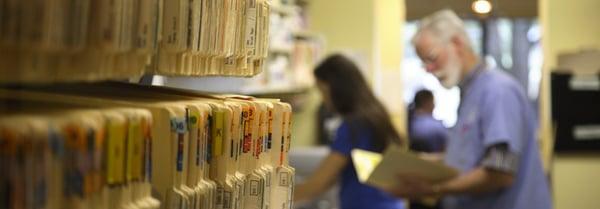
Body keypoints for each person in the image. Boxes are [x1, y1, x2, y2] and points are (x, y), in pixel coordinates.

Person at [386, 9, 552, 209]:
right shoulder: (469, 94)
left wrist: (434, 189)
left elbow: (500, 172)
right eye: (424, 64)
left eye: (432, 57)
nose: (429, 69)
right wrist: (425, 162)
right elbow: (471, 156)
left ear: (456, 43)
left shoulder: (497, 91)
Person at [294, 54, 406, 209]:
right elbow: (332, 178)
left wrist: (273, 199)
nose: (324, 100)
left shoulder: (352, 127)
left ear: (334, 89)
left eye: (322, 92)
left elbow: (319, 183)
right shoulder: (375, 114)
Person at [407, 89, 448, 209]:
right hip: (436, 184)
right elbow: (451, 153)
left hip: (410, 184)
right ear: (428, 102)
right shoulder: (436, 127)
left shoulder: (407, 123)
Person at [408, 89, 448, 153]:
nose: (434, 105)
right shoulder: (435, 126)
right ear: (427, 103)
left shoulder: (410, 122)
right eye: (433, 102)